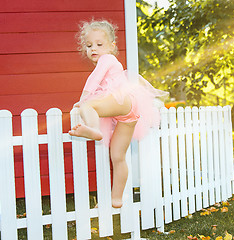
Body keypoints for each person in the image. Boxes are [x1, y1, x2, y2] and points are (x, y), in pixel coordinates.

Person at [69, 20, 167, 208]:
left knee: (87, 107)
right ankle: (117, 198)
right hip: (129, 112)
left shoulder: (107, 59)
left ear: (111, 46)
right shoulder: (112, 62)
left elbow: (94, 79)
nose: (93, 49)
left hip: (122, 100)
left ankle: (94, 130)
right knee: (118, 157)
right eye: (89, 46)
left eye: (99, 44)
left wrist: (83, 99)